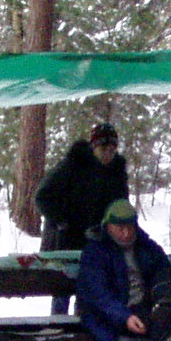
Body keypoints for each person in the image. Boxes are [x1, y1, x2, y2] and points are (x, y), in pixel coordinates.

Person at [75, 199, 171, 341]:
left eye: (129, 227)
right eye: (119, 228)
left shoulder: (146, 247)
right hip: (109, 314)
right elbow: (98, 295)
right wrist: (125, 316)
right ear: (108, 227)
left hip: (143, 308)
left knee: (169, 318)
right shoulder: (96, 252)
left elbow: (167, 270)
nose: (126, 233)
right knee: (163, 326)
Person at [34, 121, 129, 313]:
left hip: (97, 243)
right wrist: (62, 221)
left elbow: (122, 207)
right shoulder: (72, 165)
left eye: (112, 149)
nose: (108, 153)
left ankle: (82, 326)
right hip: (65, 242)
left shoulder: (116, 173)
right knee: (62, 292)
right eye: (103, 148)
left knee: (89, 294)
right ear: (94, 147)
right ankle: (58, 327)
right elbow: (42, 196)